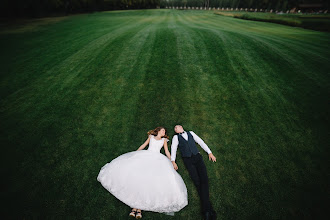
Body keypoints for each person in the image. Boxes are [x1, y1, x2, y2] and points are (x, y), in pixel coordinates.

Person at [97, 127, 188, 219]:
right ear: (159, 131)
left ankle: (138, 209)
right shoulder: (151, 137)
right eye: (163, 130)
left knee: (147, 182)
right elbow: (143, 145)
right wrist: (135, 154)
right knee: (139, 179)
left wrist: (172, 161)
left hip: (157, 160)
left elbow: (166, 151)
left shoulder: (164, 140)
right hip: (146, 156)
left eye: (165, 131)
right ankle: (134, 208)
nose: (164, 131)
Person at [171, 125, 217, 220]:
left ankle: (207, 211)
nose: (176, 128)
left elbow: (200, 142)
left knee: (204, 180)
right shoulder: (176, 137)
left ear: (182, 127)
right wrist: (173, 160)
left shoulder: (191, 133)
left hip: (197, 157)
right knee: (197, 182)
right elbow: (174, 148)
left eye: (177, 127)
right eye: (175, 128)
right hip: (188, 160)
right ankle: (208, 210)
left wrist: (209, 152)